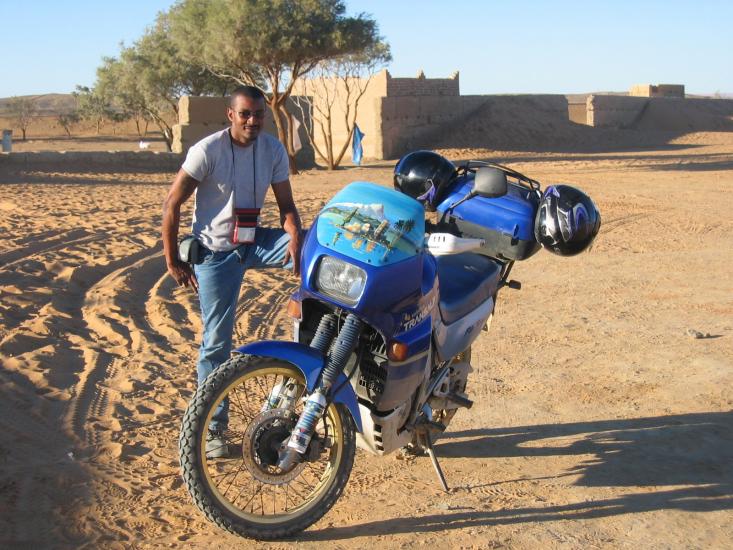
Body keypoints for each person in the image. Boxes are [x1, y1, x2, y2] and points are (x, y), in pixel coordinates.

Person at [162, 85, 302, 458]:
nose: (252, 121)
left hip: (254, 242)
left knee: (316, 254)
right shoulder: (207, 150)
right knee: (216, 341)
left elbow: (287, 206)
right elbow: (172, 204)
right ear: (231, 115)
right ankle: (212, 431)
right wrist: (173, 260)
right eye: (245, 114)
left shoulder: (272, 149)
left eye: (258, 114)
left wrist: (294, 236)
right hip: (216, 254)